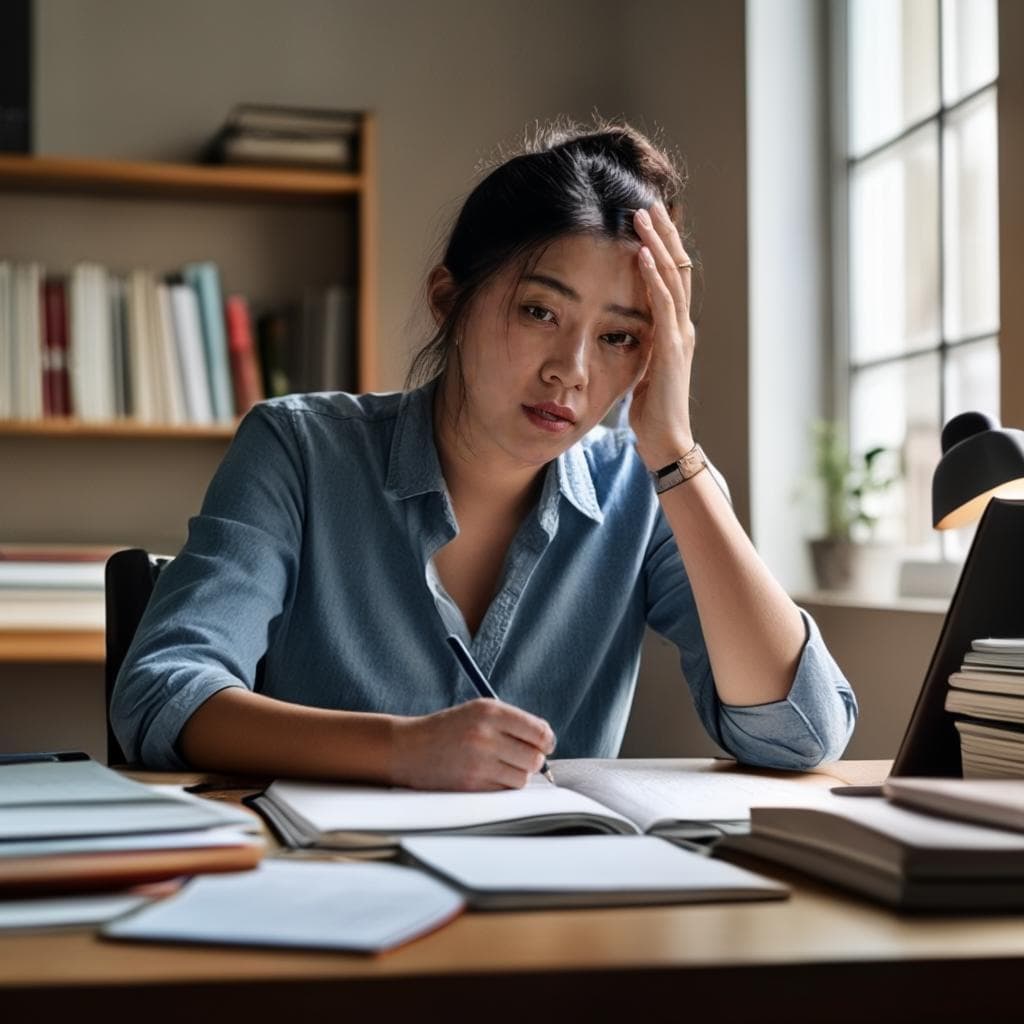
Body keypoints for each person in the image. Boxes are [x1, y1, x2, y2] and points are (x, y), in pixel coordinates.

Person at [112, 117, 857, 790]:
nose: (571, 369)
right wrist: (399, 750)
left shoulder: (647, 486)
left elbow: (801, 736)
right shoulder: (298, 450)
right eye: (540, 312)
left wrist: (675, 450)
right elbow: (162, 692)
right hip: (324, 892)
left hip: (551, 918)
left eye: (618, 337)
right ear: (449, 301)